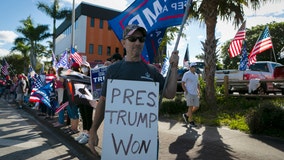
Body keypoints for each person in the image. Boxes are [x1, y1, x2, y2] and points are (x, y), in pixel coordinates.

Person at [88, 24, 179, 156]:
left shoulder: (152, 71)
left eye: (141, 39)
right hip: (118, 141)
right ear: (123, 42)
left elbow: (170, 94)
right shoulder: (114, 70)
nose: (137, 42)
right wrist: (93, 130)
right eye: (133, 39)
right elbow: (103, 101)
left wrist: (175, 67)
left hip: (146, 142)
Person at [74, 61, 94, 144]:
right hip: (81, 98)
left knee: (88, 116)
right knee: (83, 116)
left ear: (88, 68)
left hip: (89, 99)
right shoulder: (80, 76)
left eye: (85, 67)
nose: (83, 68)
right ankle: (84, 132)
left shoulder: (91, 76)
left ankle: (89, 135)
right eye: (82, 67)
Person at [181, 62, 200, 127]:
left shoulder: (196, 75)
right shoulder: (187, 74)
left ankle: (186, 115)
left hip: (195, 93)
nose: (195, 68)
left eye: (196, 67)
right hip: (189, 93)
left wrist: (199, 91)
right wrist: (186, 91)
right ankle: (191, 121)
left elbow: (198, 84)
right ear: (191, 67)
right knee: (190, 106)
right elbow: (183, 83)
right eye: (194, 67)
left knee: (197, 107)